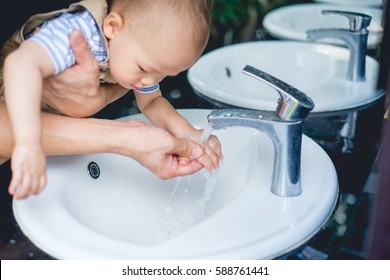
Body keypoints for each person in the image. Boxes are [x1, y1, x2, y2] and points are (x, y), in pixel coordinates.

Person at [0, 0, 222, 199]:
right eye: (144, 68)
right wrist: (28, 144)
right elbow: (21, 64)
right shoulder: (77, 32)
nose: (149, 82)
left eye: (163, 74)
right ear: (112, 27)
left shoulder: (141, 48)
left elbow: (152, 102)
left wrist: (187, 132)